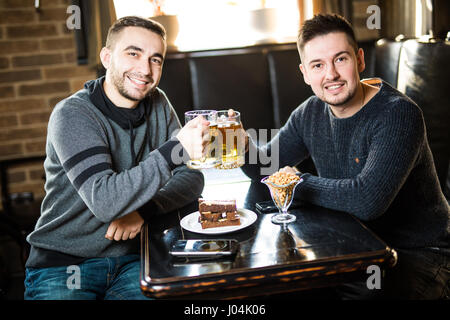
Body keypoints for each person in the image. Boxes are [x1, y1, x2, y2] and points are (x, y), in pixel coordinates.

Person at [241, 14, 449, 299]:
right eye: (318, 65)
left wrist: (296, 182)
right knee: (279, 287)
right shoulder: (309, 113)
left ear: (360, 60)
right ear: (305, 72)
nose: (331, 75)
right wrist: (239, 144)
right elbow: (266, 167)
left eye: (341, 59)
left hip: (418, 253)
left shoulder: (398, 114)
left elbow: (367, 201)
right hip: (353, 245)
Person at [24, 16, 209, 300]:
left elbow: (192, 177)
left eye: (155, 59)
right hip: (64, 264)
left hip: (136, 258)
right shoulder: (72, 114)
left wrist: (144, 211)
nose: (145, 69)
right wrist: (175, 150)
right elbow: (105, 201)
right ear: (107, 57)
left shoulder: (158, 103)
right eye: (133, 53)